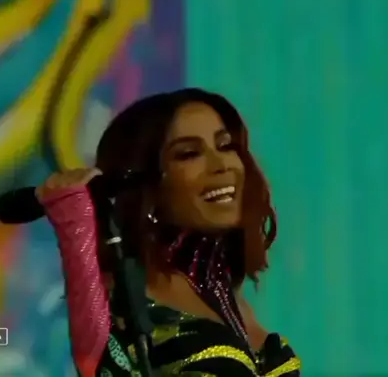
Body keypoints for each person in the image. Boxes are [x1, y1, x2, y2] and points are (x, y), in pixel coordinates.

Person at [37, 88, 301, 376]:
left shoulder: (226, 295)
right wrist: (74, 225)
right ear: (146, 186)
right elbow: (95, 366)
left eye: (226, 146)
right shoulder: (127, 298)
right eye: (189, 154)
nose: (221, 165)